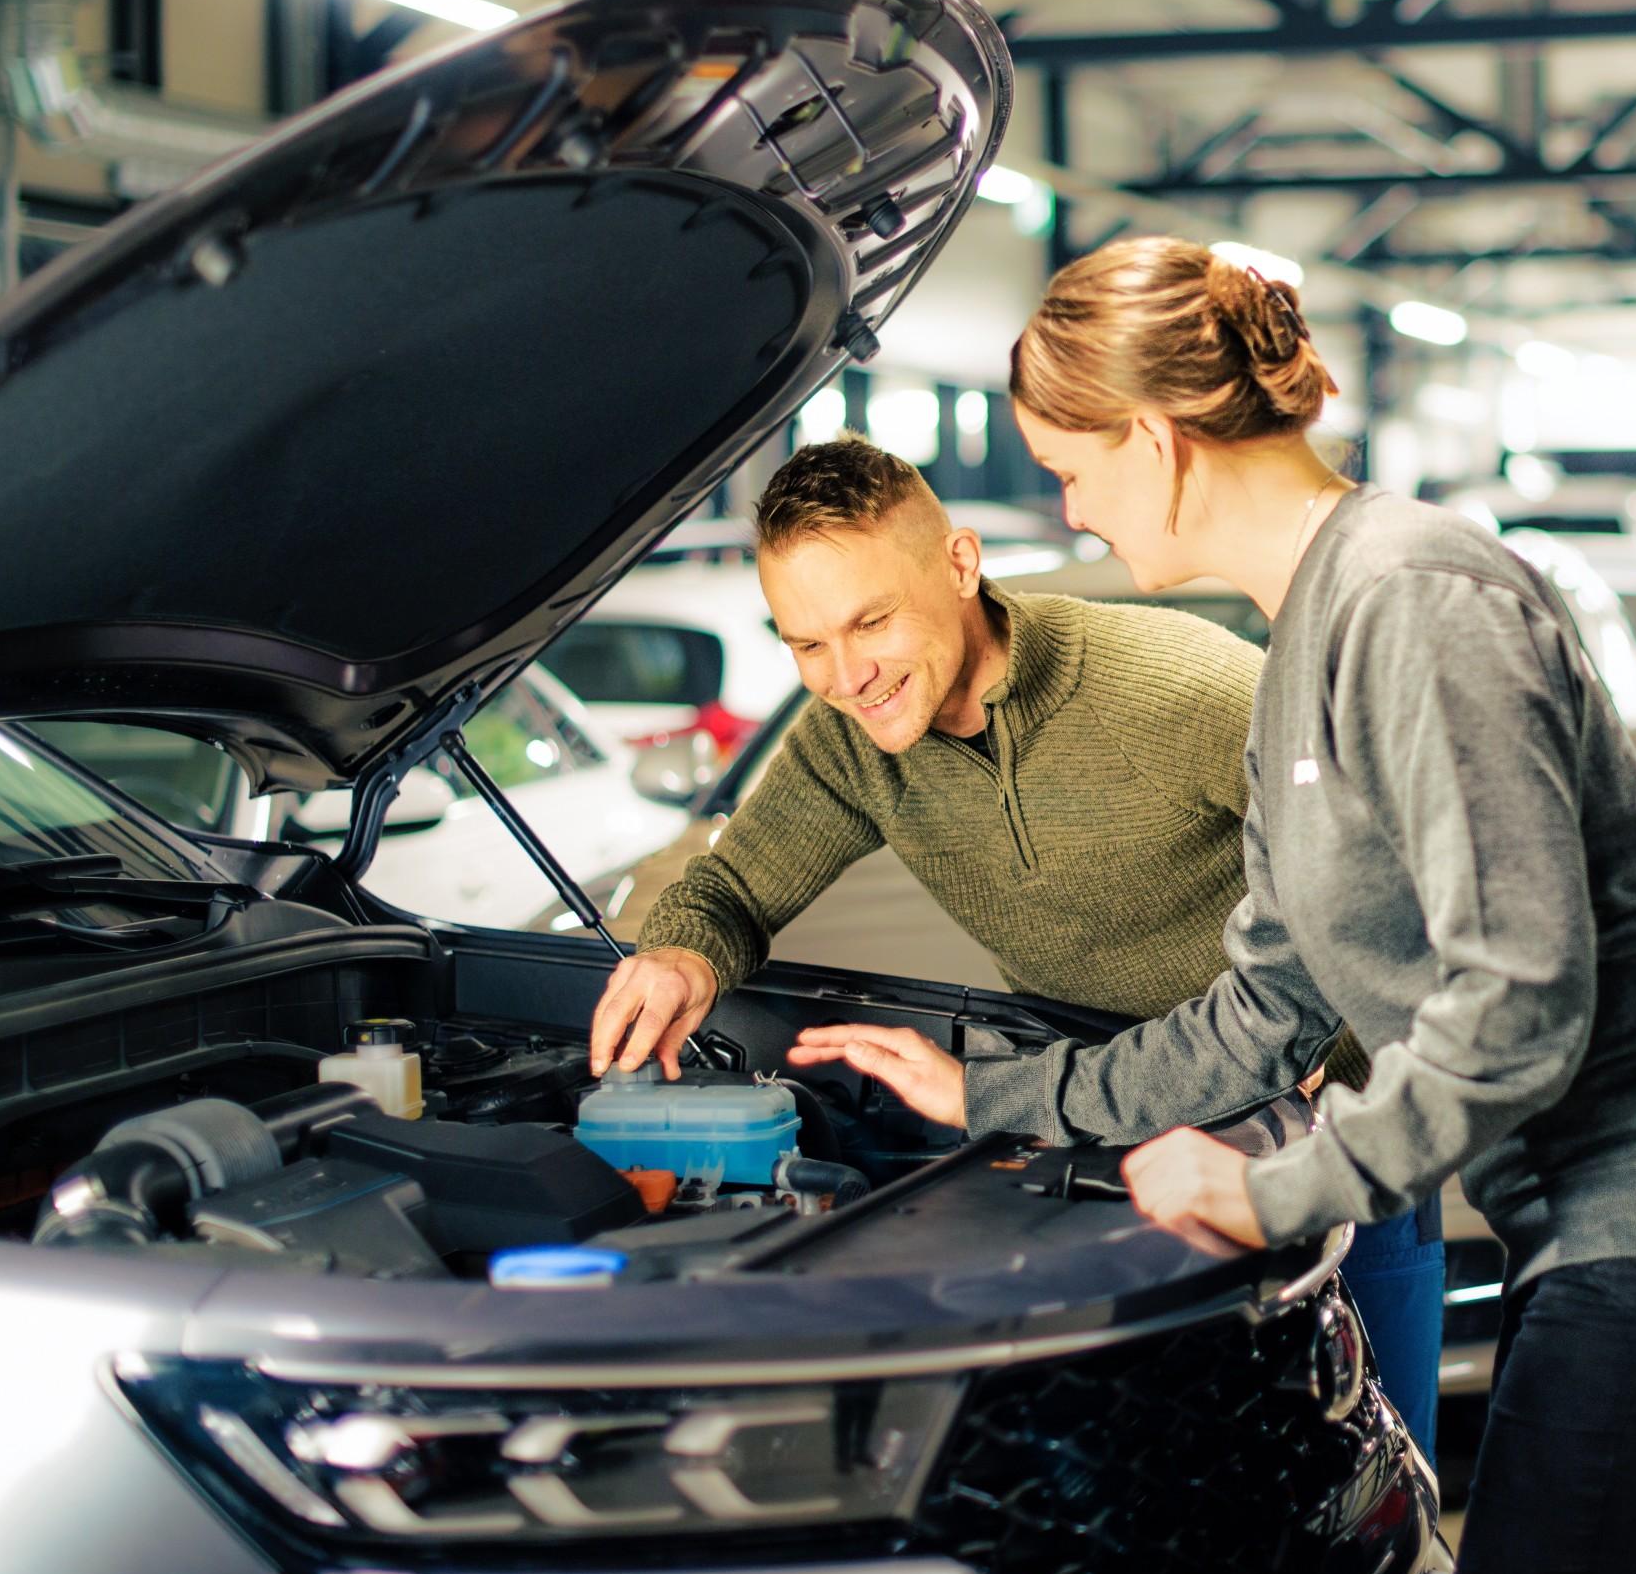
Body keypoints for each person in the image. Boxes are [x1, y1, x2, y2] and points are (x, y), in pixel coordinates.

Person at [796, 237, 1636, 1574]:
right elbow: (1268, 1005)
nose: (1074, 520)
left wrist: (1271, 1190)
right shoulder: (1298, 644)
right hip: (1610, 1225)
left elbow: (1523, 997)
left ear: (1156, 441)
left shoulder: (1411, 601)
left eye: (1070, 474)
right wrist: (994, 1096)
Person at [580, 433, 1443, 1455]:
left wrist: (1331, 1074)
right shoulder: (848, 744)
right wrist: (682, 952)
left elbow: (1390, 874)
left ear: (959, 563)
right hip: (1097, 1125)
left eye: (870, 620)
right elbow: (728, 886)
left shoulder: (1180, 688)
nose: (846, 675)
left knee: (1364, 1464)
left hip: (1324, 1137)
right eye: (804, 642)